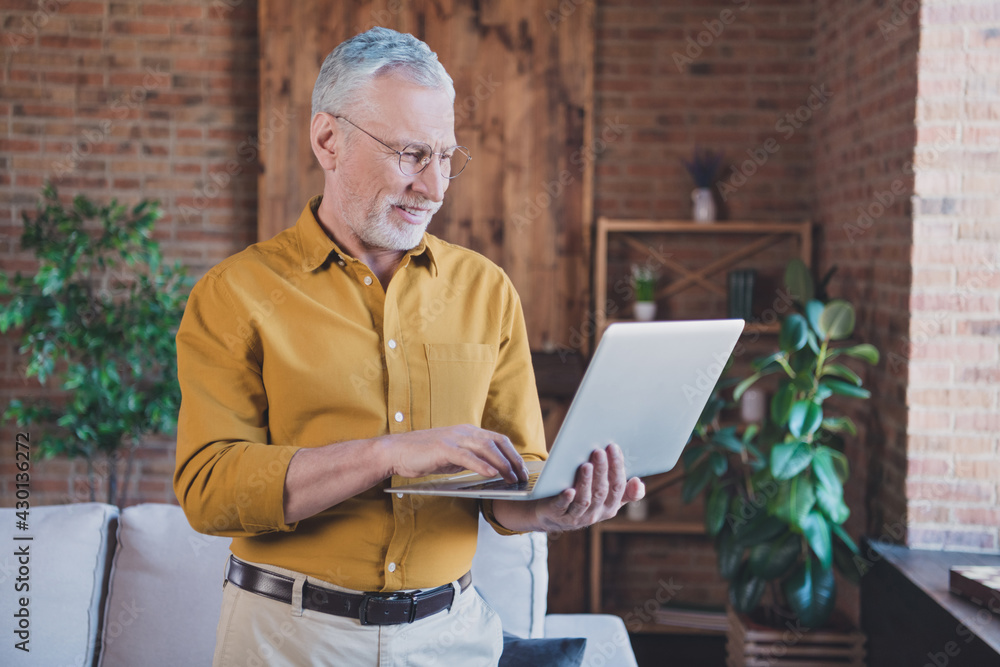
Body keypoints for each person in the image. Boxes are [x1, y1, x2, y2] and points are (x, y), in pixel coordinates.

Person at [173, 26, 645, 666]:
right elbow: (209, 488)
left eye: (447, 156)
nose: (436, 187)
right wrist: (390, 453)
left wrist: (553, 509)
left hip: (452, 638)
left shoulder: (487, 290)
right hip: (288, 640)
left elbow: (513, 481)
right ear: (328, 139)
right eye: (411, 154)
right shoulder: (236, 293)